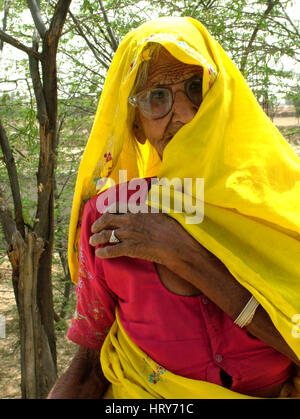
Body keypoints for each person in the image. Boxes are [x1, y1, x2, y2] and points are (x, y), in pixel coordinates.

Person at [48, 17, 300, 399]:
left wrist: (184, 254)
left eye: (196, 88)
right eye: (157, 97)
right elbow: (89, 364)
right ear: (136, 125)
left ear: (221, 100)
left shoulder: (282, 203)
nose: (182, 114)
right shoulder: (110, 218)